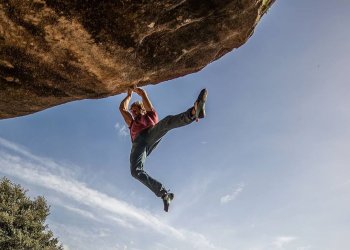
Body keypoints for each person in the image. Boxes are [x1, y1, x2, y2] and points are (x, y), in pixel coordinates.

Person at [119, 86, 208, 212]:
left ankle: (194, 112)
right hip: (138, 145)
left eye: (135, 110)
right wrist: (128, 96)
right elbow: (122, 109)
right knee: (135, 171)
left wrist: (139, 91)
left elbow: (144, 96)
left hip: (150, 134)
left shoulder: (150, 114)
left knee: (166, 122)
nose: (133, 113)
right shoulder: (132, 123)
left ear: (142, 109)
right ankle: (164, 195)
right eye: (132, 111)